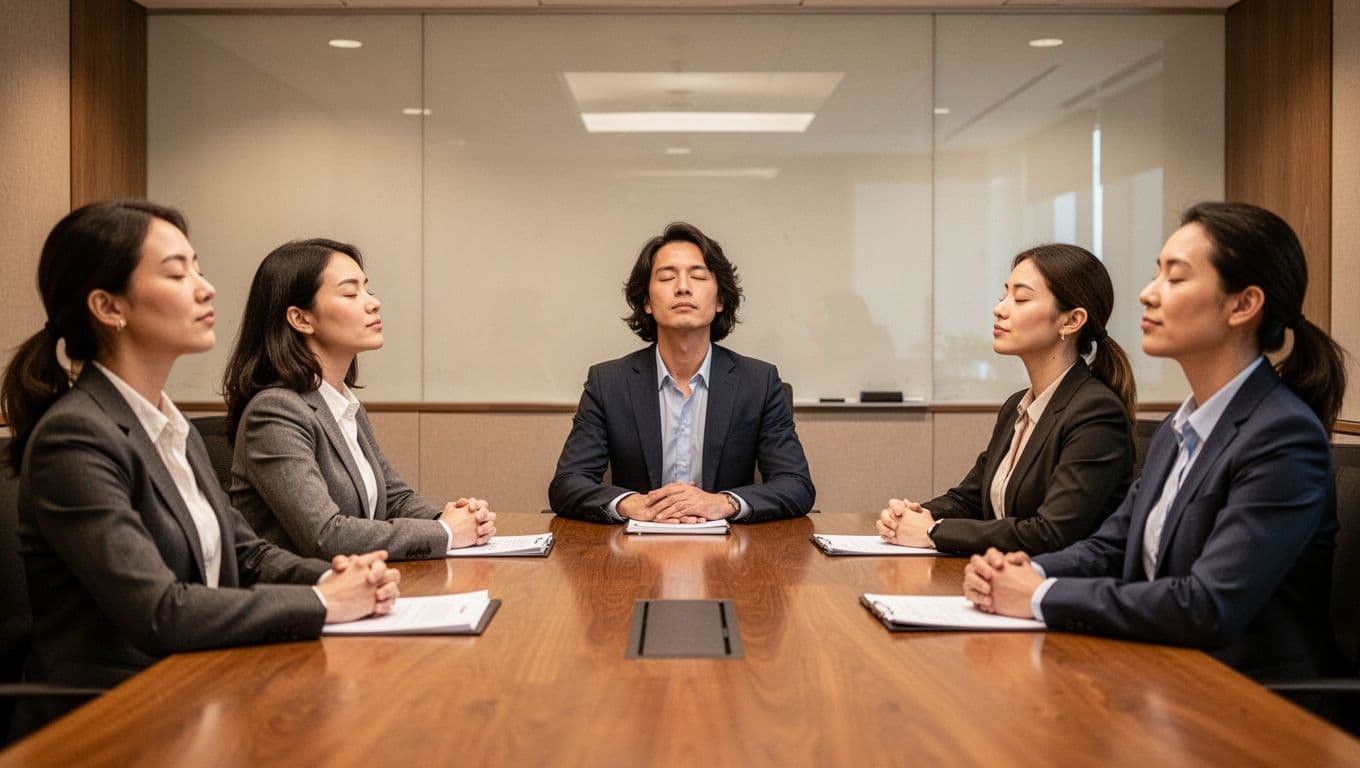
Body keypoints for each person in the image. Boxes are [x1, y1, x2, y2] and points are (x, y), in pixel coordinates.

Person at [1, 201, 399, 729]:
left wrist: (340, 574)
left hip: (201, 682)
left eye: (199, 270)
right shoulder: (74, 437)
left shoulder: (172, 426)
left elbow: (247, 554)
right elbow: (160, 611)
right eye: (176, 274)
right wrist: (323, 601)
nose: (206, 288)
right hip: (112, 716)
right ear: (108, 306)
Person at [964, 202, 1344, 679]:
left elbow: (1206, 604)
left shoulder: (1283, 437)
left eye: (1175, 278)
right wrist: (1027, 571)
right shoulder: (1178, 429)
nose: (1147, 293)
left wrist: (1041, 595)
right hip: (1161, 670)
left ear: (1243, 305)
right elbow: (1111, 546)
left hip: (1247, 697)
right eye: (1155, 274)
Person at [224, 239, 495, 561]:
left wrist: (456, 519)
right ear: (301, 319)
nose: (373, 303)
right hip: (309, 589)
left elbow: (394, 498)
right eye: (351, 293)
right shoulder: (274, 412)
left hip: (367, 583)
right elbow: (327, 536)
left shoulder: (341, 403)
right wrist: (446, 532)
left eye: (368, 290)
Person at [877, 245, 1135, 555]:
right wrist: (913, 516)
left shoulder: (1095, 412)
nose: (1000, 309)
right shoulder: (1017, 406)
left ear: (1071, 321)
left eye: (1021, 299)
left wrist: (933, 532)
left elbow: (1051, 533)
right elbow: (970, 500)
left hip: (1054, 582)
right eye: (1004, 296)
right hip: (999, 574)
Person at [549, 222, 814, 524]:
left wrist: (723, 503)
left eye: (698, 276)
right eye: (667, 277)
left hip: (729, 547)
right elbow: (567, 483)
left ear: (720, 300)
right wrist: (632, 504)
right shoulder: (608, 383)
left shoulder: (759, 382)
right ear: (647, 302)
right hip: (637, 546)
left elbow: (796, 485)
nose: (683, 287)